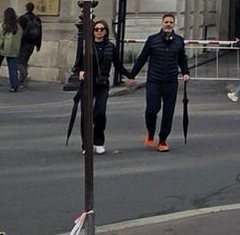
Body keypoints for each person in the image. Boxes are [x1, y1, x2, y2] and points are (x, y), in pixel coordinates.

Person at [128, 13, 190, 150]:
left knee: (168, 112)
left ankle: (163, 140)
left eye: (171, 22)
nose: (168, 24)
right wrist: (132, 75)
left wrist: (186, 72)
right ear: (162, 23)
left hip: (171, 81)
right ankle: (150, 132)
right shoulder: (152, 40)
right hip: (154, 81)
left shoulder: (179, 41)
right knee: (152, 110)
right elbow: (142, 58)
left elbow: (182, 59)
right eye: (166, 22)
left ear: (174, 24)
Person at [72, 19, 118, 153]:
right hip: (88, 84)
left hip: (102, 84)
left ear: (106, 31)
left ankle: (98, 141)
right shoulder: (87, 46)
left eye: (101, 29)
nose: (99, 31)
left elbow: (118, 64)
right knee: (86, 115)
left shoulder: (110, 47)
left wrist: (130, 75)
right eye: (96, 29)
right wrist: (80, 71)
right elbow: (77, 65)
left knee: (100, 113)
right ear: (92, 31)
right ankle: (86, 144)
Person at [0, 8, 23, 92]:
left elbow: (0, 39)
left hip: (2, 49)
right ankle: (14, 85)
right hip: (13, 50)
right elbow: (19, 39)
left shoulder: (2, 25)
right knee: (13, 68)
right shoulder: (18, 27)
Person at [18, 2, 43, 88]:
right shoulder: (37, 19)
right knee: (25, 61)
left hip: (23, 43)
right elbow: (40, 33)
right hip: (32, 44)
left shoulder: (22, 19)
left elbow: (18, 32)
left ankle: (24, 76)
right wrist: (38, 45)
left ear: (26, 8)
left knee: (19, 62)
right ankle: (22, 81)